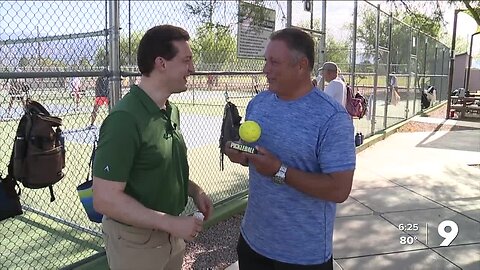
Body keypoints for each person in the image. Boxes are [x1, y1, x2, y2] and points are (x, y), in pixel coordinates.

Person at [224, 28, 356, 270]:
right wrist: (241, 155)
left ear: (301, 65)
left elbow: (339, 189)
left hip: (303, 254)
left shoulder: (332, 118)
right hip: (253, 241)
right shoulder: (258, 104)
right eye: (266, 61)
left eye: (274, 62)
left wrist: (279, 170)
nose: (266, 70)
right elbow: (258, 158)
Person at [92, 25, 213, 270]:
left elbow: (160, 168)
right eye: (186, 60)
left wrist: (194, 190)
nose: (192, 68)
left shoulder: (170, 110)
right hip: (135, 244)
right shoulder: (124, 119)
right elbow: (104, 199)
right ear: (162, 63)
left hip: (170, 237)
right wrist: (170, 222)